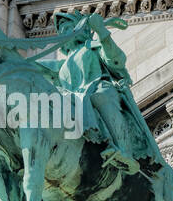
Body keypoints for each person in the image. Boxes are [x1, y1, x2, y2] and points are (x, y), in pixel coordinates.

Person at [53, 11, 144, 174]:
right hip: (76, 98)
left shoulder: (91, 46)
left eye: (68, 29)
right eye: (61, 32)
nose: (64, 35)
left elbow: (116, 61)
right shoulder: (61, 65)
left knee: (100, 96)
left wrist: (102, 31)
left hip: (98, 87)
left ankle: (124, 151)